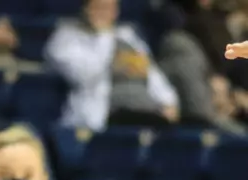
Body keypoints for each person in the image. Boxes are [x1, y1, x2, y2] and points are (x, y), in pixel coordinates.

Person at [45, 0, 179, 130]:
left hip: (145, 108)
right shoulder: (65, 39)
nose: (105, 12)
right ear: (85, 8)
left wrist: (168, 101)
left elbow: (150, 71)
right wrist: (104, 35)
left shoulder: (128, 36)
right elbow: (85, 76)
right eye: (99, 7)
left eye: (111, 7)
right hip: (103, 114)